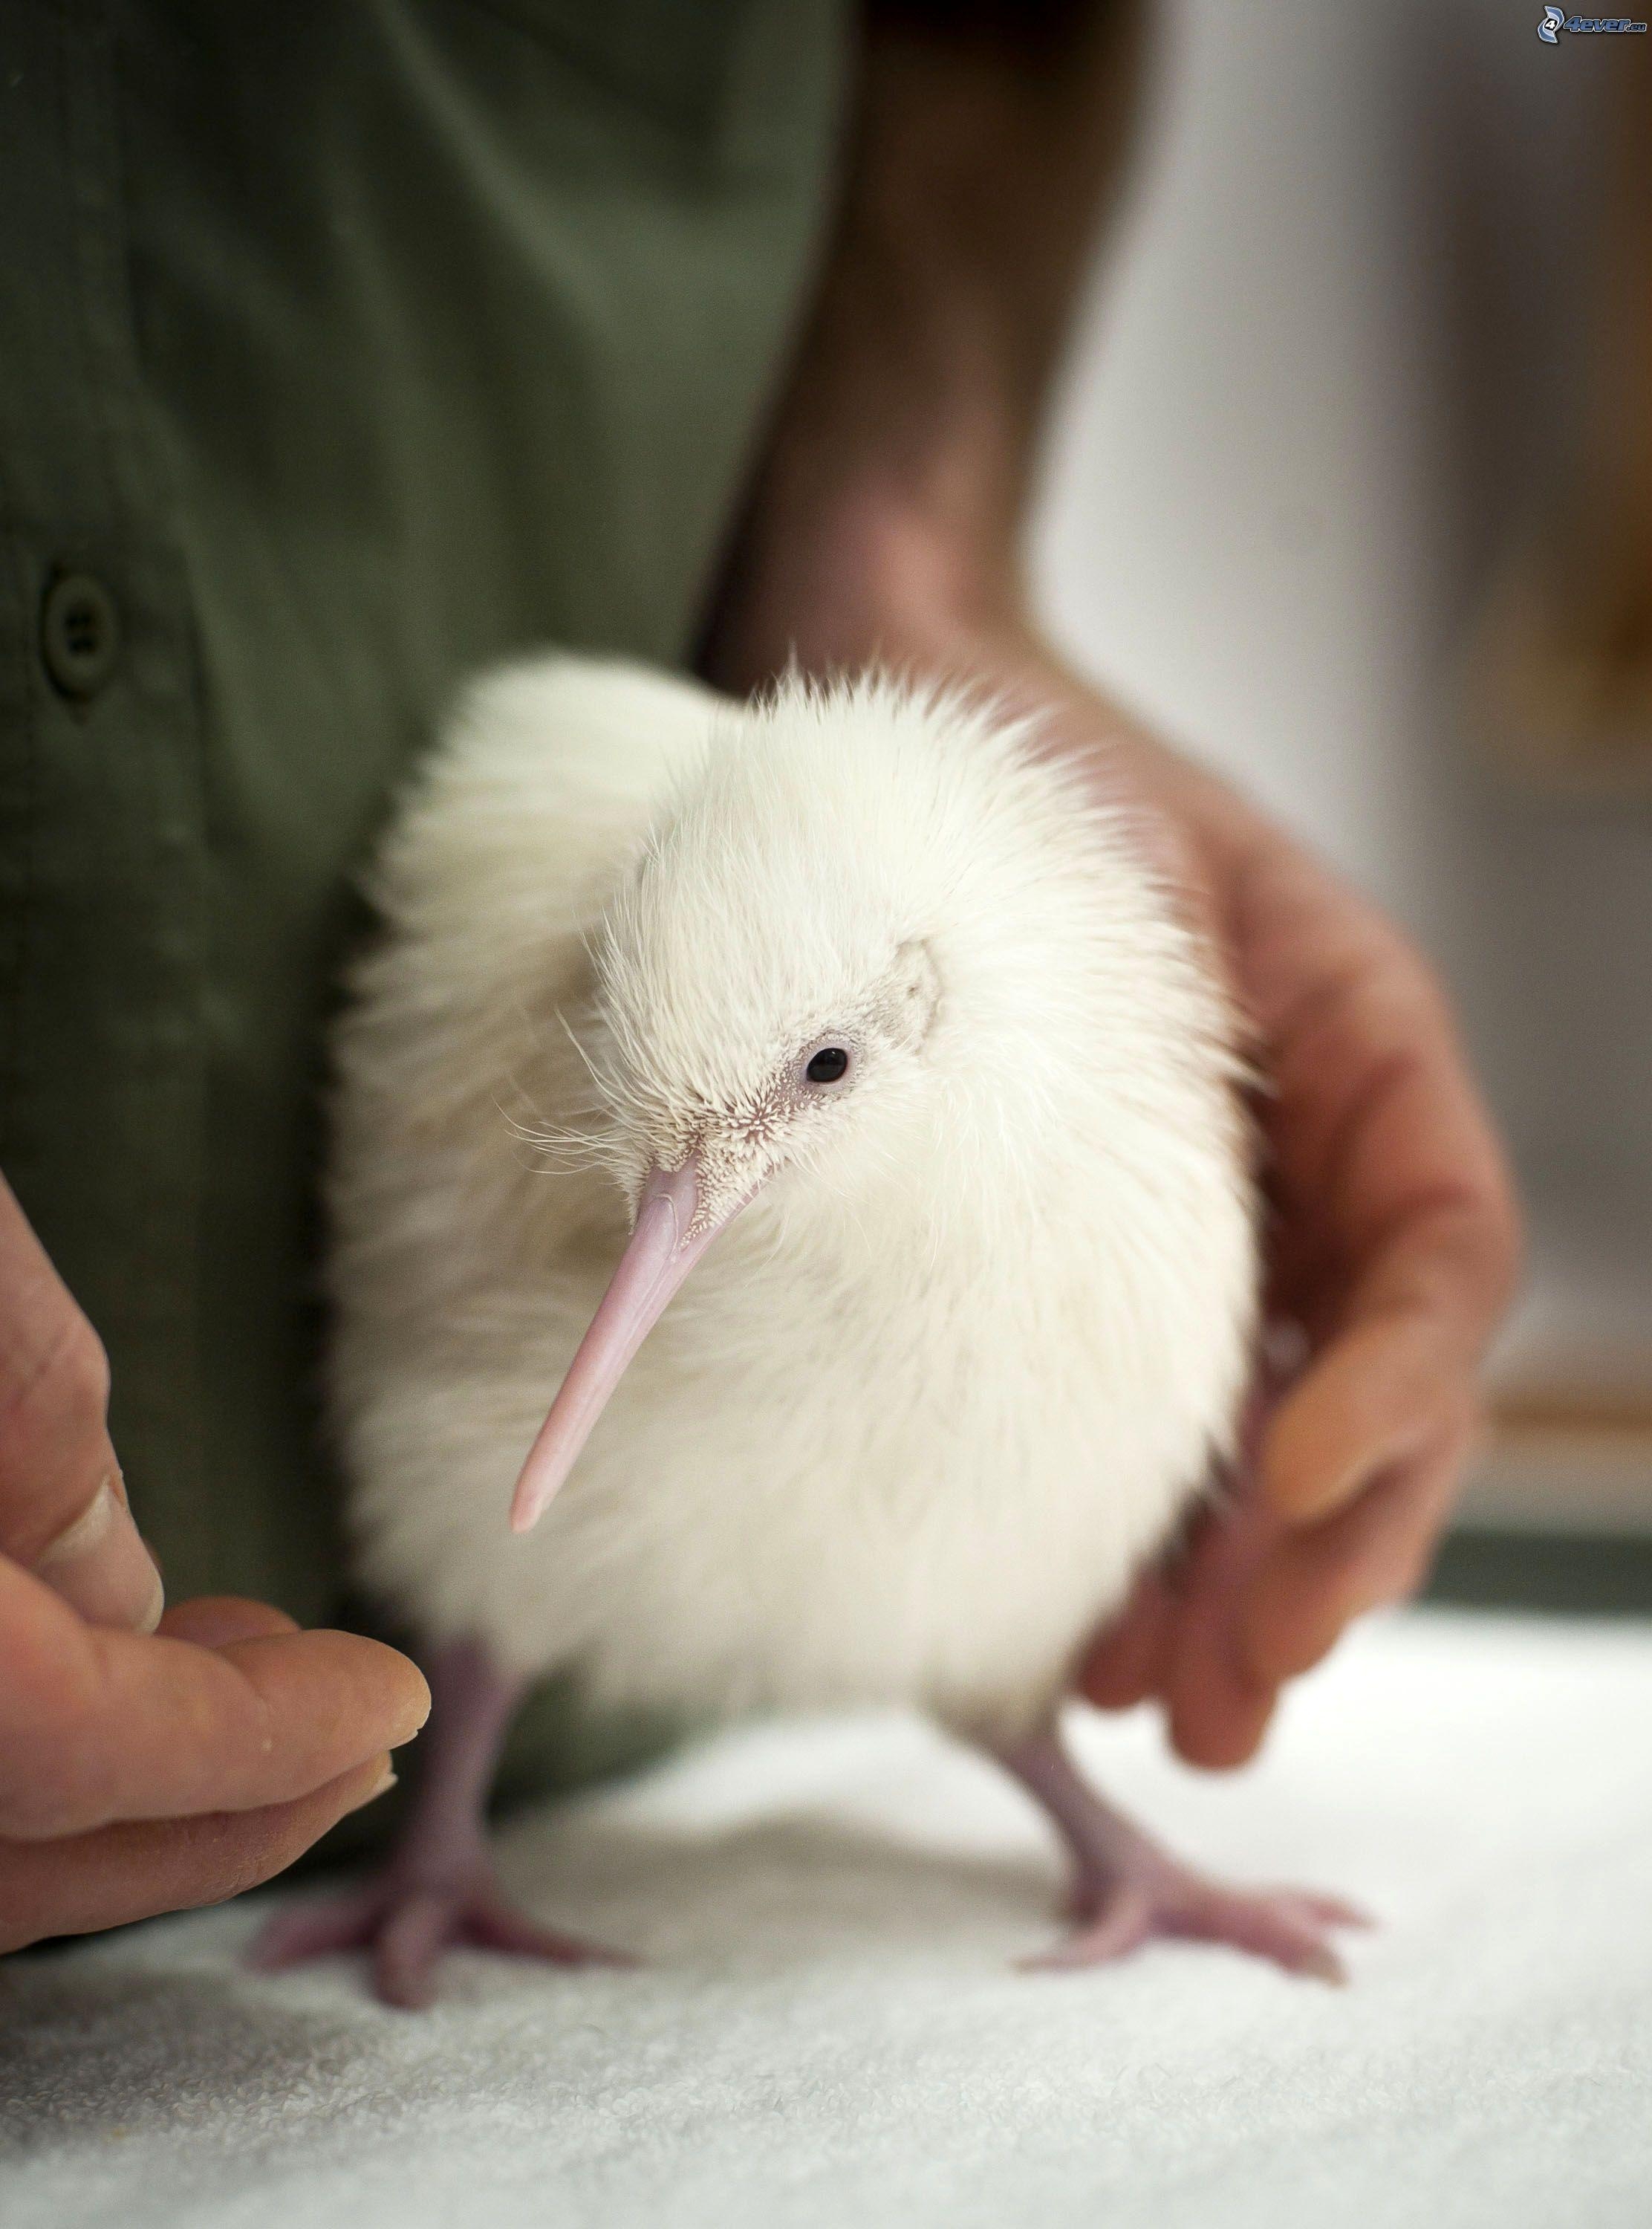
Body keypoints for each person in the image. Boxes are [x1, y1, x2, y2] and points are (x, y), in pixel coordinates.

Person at [0, 0, 1519, 1953]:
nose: (688, 1191)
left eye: (794, 1087)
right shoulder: (703, 1052)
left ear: (922, 1002)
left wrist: (899, 541)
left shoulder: (988, 1100)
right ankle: (461, 1790)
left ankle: (1041, 1801)